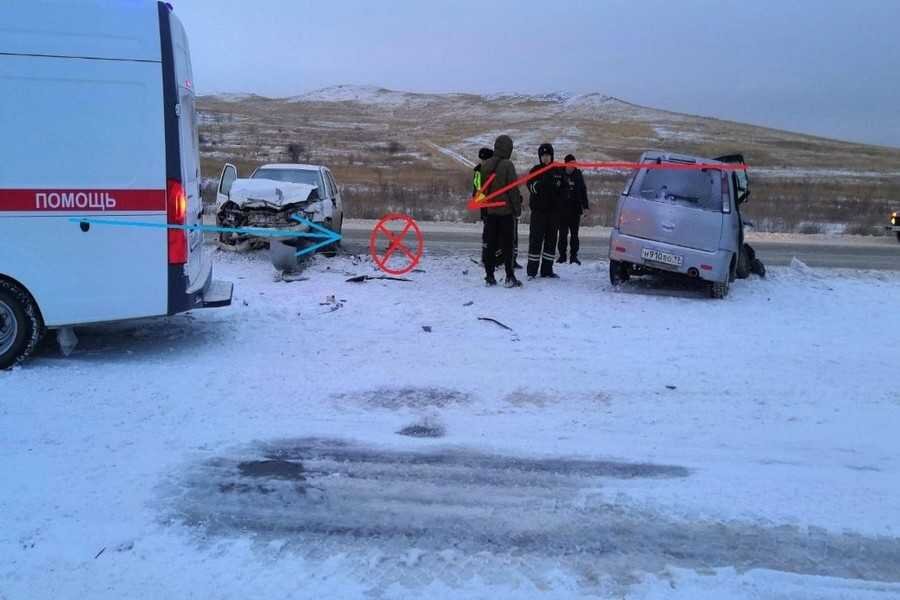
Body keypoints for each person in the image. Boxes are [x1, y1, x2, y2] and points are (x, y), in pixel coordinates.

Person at [480, 135, 523, 288]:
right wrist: (517, 209)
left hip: (491, 212)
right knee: (508, 245)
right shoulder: (507, 165)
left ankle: (489, 276)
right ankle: (509, 276)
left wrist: (486, 207)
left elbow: (481, 190)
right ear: (508, 149)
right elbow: (513, 190)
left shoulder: (485, 165)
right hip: (506, 213)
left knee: (490, 245)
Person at [526, 143, 565, 278]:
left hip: (554, 213)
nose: (545, 158)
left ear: (552, 156)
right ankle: (532, 271)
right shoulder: (535, 170)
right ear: (540, 157)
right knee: (536, 241)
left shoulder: (559, 171)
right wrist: (544, 181)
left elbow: (564, 190)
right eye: (543, 156)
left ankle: (547, 270)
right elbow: (531, 187)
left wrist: (561, 202)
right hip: (539, 213)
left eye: (548, 155)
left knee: (551, 241)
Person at [558, 154, 589, 265]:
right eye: (570, 164)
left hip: (575, 210)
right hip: (562, 210)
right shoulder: (560, 174)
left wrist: (585, 207)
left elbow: (583, 191)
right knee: (562, 234)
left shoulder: (578, 175)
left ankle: (574, 256)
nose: (572, 166)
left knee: (574, 235)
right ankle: (562, 256)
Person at [473, 147, 494, 267]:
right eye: (482, 160)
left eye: (486, 160)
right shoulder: (478, 172)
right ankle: (485, 258)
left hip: (497, 208)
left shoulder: (496, 171)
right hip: (487, 208)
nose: (483, 162)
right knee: (487, 235)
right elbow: (476, 192)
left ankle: (496, 259)